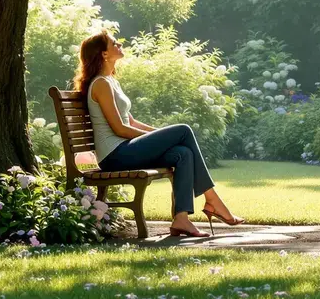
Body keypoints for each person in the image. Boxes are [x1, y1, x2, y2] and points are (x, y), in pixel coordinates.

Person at [76, 30, 244, 237]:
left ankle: (181, 219)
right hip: (114, 155)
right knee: (184, 130)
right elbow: (119, 129)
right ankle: (212, 199)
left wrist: (160, 135)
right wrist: (163, 137)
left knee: (183, 153)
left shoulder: (111, 81)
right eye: (114, 43)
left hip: (125, 150)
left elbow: (131, 121)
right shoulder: (100, 83)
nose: (119, 45)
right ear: (103, 54)